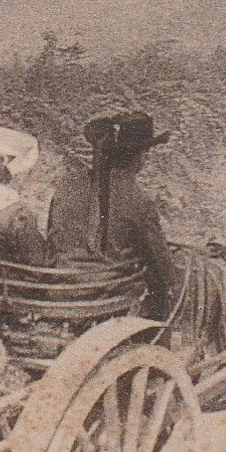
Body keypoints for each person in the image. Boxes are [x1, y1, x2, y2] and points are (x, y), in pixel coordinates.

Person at [46, 111, 174, 316]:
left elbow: (51, 240)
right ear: (141, 157)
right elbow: (161, 266)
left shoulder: (66, 187)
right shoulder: (139, 199)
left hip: (59, 289)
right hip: (107, 298)